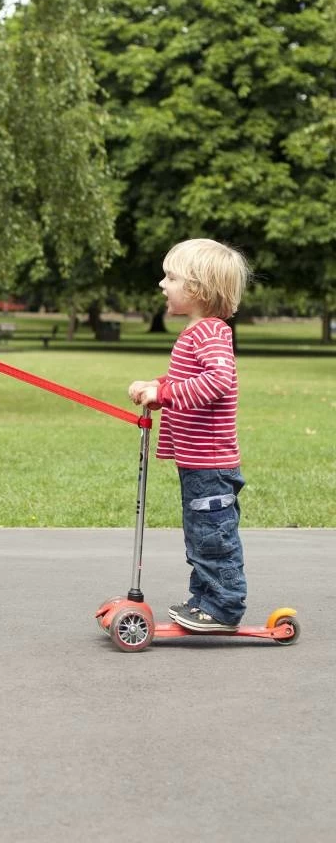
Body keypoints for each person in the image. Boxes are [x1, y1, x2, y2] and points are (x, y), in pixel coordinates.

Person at [128, 238, 250, 632]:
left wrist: (163, 394)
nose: (162, 284)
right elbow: (187, 379)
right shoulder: (197, 331)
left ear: (196, 288)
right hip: (196, 462)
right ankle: (205, 600)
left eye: (171, 277)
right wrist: (158, 386)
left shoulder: (210, 332)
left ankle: (225, 606)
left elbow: (218, 380)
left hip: (210, 465)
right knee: (201, 536)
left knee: (213, 537)